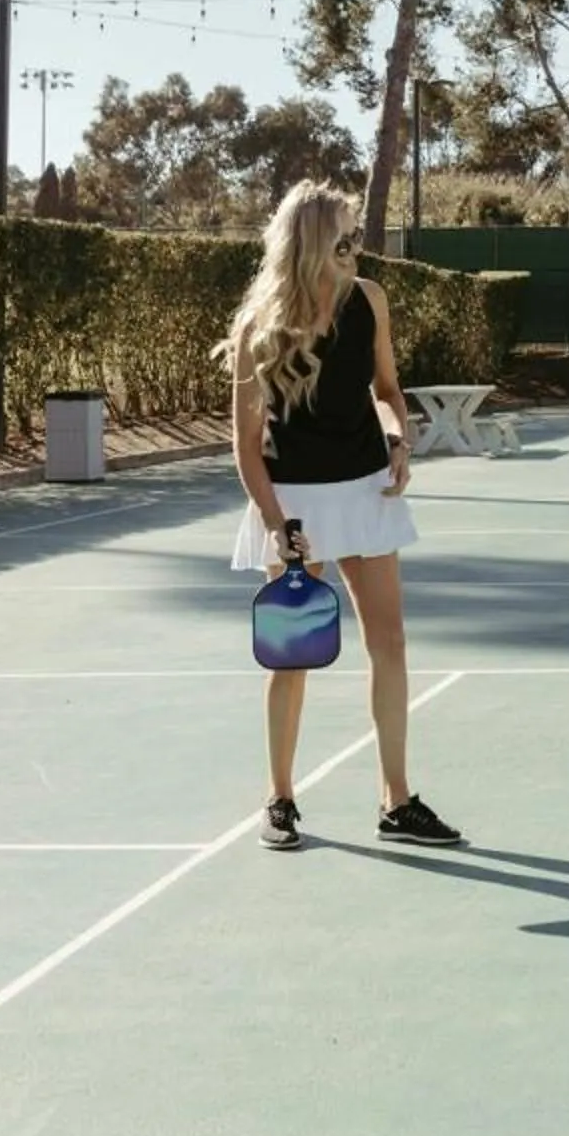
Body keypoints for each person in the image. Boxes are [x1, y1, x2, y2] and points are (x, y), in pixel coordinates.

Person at [221, 181, 461, 853]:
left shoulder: (369, 302)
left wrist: (398, 437)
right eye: (344, 233)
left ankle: (397, 800)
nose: (355, 243)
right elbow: (244, 445)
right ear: (311, 240)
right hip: (290, 498)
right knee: (291, 658)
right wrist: (276, 522)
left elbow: (387, 391)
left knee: (390, 644)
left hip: (364, 491)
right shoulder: (257, 326)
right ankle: (280, 799)